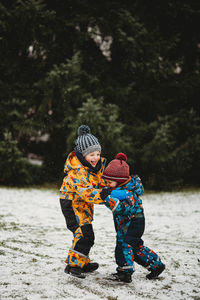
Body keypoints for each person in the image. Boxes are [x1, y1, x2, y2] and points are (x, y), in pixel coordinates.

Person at [102, 152, 165, 283]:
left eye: (109, 182)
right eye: (105, 181)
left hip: (133, 223)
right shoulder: (119, 189)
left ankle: (125, 272)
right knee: (135, 247)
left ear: (119, 181)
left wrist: (107, 199)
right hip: (126, 223)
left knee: (124, 245)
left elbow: (121, 209)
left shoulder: (127, 194)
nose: (106, 184)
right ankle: (156, 265)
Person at [59, 125, 110, 279]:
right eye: (91, 155)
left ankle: (82, 262)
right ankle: (74, 265)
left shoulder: (93, 168)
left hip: (83, 205)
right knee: (85, 235)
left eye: (98, 153)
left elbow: (99, 183)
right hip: (72, 204)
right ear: (82, 154)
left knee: (82, 234)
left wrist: (109, 188)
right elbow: (86, 192)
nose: (95, 158)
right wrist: (104, 195)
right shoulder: (77, 171)